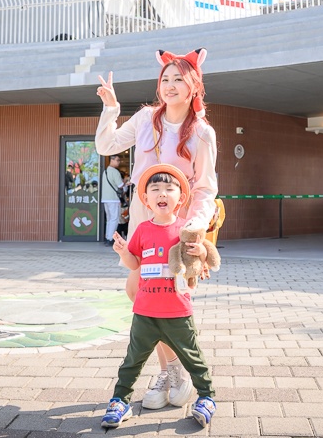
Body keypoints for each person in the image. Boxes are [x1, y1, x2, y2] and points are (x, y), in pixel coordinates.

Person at [95, 48, 218, 410]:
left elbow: (205, 188)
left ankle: (173, 375)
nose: (170, 85)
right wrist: (111, 109)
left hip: (178, 229)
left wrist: (192, 231)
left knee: (164, 298)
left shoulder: (202, 133)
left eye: (179, 78)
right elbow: (106, 144)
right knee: (138, 292)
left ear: (194, 85)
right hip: (142, 218)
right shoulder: (146, 118)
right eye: (165, 79)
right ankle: (174, 372)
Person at [101, 164, 216, 429]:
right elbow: (134, 264)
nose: (162, 193)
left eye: (169, 188)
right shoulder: (141, 229)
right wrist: (122, 252)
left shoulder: (185, 230)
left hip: (178, 311)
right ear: (146, 199)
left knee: (193, 358)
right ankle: (120, 400)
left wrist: (199, 250)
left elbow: (200, 258)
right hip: (145, 311)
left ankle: (207, 398)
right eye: (155, 189)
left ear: (180, 198)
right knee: (132, 360)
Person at [101, 156, 124, 245]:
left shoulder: (105, 171)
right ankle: (111, 239)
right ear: (112, 160)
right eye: (117, 160)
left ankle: (107, 237)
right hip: (113, 199)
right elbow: (120, 185)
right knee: (114, 219)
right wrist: (126, 182)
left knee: (109, 219)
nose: (119, 162)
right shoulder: (115, 172)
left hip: (105, 199)